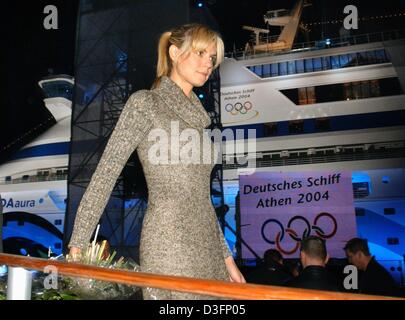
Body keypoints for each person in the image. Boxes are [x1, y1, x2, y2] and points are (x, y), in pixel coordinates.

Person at [68, 23, 245, 299]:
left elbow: (202, 199)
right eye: (200, 53)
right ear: (175, 53)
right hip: (169, 242)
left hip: (209, 249)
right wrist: (78, 244)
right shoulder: (145, 103)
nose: (207, 63)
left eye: (212, 58)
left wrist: (227, 260)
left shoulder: (200, 121)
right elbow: (106, 173)